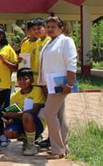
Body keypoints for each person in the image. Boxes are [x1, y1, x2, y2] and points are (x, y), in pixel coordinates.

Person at [38, 16, 77, 159]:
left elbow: (71, 62)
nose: (50, 29)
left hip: (61, 83)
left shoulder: (66, 41)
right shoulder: (49, 43)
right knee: (60, 115)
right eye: (48, 27)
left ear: (61, 28)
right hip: (51, 84)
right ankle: (63, 147)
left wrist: (69, 84)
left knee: (49, 114)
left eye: (53, 27)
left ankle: (57, 149)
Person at [3, 68, 46, 156]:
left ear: (32, 80)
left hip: (36, 122)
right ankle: (26, 138)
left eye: (25, 79)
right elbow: (8, 114)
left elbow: (34, 110)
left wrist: (17, 114)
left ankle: (31, 145)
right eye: (19, 79)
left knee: (27, 115)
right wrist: (10, 120)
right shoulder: (15, 96)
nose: (22, 81)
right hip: (21, 121)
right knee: (9, 132)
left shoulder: (37, 90)